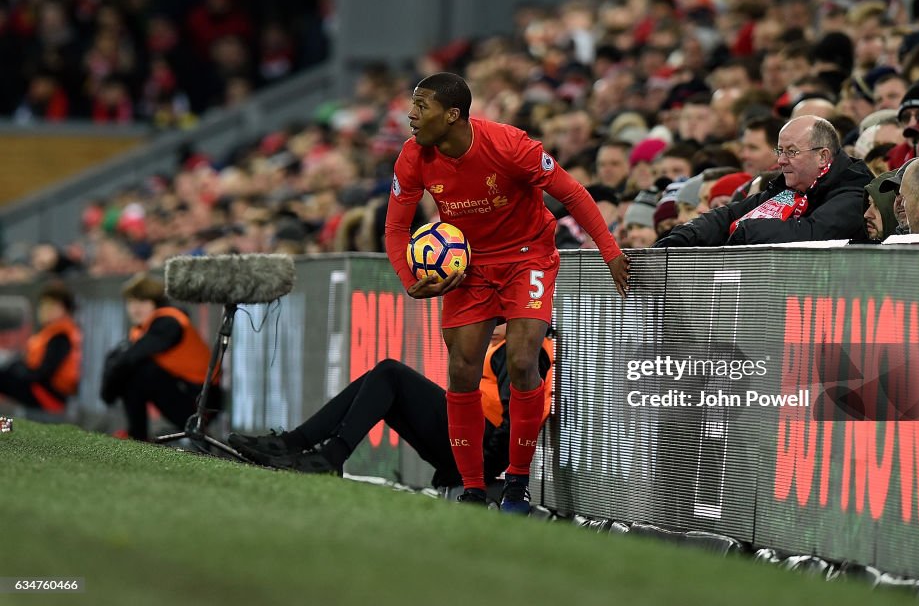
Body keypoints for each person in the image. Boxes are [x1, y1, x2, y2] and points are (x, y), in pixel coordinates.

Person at [384, 73, 628, 513]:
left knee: (520, 361)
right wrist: (409, 280)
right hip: (469, 266)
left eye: (422, 106)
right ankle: (473, 488)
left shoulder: (510, 145)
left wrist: (608, 251)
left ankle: (517, 481)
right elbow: (396, 228)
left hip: (526, 256)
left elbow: (572, 193)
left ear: (452, 115)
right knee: (461, 370)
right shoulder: (413, 156)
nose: (411, 115)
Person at [228, 325, 553, 493]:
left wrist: (477, 473)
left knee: (389, 373)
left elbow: (518, 422)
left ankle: (322, 455)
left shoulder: (520, 353)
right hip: (471, 444)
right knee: (381, 381)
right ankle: (299, 444)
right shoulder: (502, 347)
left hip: (479, 453)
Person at [654, 116, 872, 247]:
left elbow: (810, 235)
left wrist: (744, 231)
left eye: (792, 152)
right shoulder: (789, 189)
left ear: (823, 157)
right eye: (780, 151)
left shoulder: (853, 190)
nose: (781, 160)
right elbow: (731, 214)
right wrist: (681, 237)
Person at [100, 273, 219, 441]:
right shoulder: (145, 328)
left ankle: (138, 435)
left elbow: (131, 358)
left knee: (140, 371)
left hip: (203, 402)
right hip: (188, 393)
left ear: (155, 303)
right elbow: (120, 357)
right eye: (131, 302)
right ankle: (137, 435)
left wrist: (107, 394)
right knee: (136, 370)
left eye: (142, 302)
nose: (135, 308)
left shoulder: (168, 321)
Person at [0, 281, 81, 414]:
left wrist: (19, 370)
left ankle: (4, 428)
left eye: (52, 306)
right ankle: (5, 427)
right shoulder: (50, 332)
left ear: (64, 309)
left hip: (50, 395)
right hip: (41, 389)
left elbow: (43, 372)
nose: (45, 310)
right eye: (43, 305)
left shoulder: (60, 337)